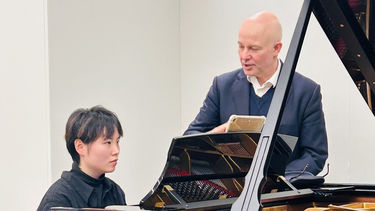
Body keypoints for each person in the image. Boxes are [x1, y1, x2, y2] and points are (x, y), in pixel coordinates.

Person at [184, 11, 328, 176]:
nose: (244, 56)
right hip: (230, 194)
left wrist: (276, 181)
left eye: (253, 48)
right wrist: (212, 136)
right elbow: (189, 139)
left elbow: (315, 155)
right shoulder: (222, 86)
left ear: (276, 48)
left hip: (280, 195)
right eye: (241, 46)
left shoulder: (307, 91)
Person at [38, 106, 126, 211]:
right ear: (80, 147)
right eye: (108, 142)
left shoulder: (115, 192)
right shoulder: (59, 199)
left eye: (117, 141)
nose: (116, 150)